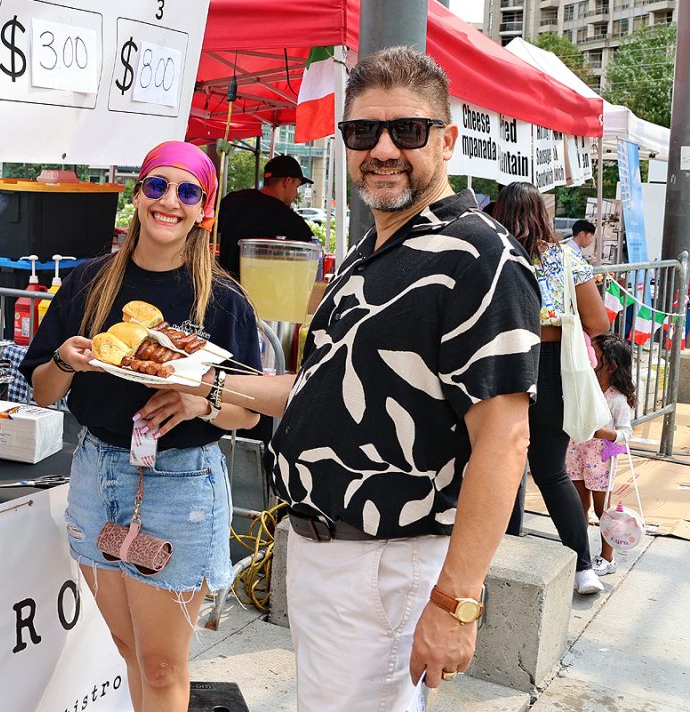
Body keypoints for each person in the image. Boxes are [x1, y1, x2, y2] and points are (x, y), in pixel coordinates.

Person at [144, 46, 542, 709]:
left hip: (385, 562)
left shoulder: (479, 257)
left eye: (407, 130)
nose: (382, 149)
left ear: (446, 140)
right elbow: (316, 389)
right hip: (326, 553)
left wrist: (457, 602)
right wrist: (205, 386)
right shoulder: (372, 250)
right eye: (363, 132)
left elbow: (505, 441)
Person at [21, 140, 262, 712]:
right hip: (96, 474)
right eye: (157, 185)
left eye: (187, 192)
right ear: (137, 195)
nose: (169, 202)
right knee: (129, 648)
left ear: (204, 208)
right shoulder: (88, 282)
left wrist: (199, 405)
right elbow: (43, 389)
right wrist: (65, 361)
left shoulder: (222, 298)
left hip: (181, 484)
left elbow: (250, 409)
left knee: (161, 664)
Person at [494, 182, 610, 595]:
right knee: (551, 471)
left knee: (501, 463)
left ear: (501, 212)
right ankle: (584, 568)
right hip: (553, 367)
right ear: (542, 214)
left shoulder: (493, 251)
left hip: (501, 364)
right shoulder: (565, 256)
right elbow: (599, 322)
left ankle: (501, 555)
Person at [566, 332, 636, 576]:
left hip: (601, 458)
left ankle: (608, 558)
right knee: (578, 507)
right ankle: (579, 553)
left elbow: (626, 432)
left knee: (602, 510)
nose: (588, 357)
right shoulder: (585, 387)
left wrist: (605, 434)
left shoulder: (617, 399)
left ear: (611, 365)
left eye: (593, 354)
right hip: (575, 452)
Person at [216, 155, 314, 278]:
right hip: (261, 288)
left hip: (224, 285)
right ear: (287, 181)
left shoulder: (231, 200)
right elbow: (310, 254)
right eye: (297, 187)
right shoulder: (291, 221)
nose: (296, 193)